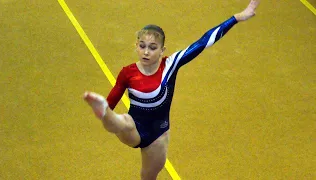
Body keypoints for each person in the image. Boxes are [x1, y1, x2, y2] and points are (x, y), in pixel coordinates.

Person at [83, 0, 260, 179]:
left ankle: (107, 114)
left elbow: (203, 42)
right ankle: (103, 112)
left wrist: (237, 18)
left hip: (158, 135)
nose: (146, 52)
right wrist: (107, 109)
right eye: (142, 46)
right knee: (123, 123)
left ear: (162, 50)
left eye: (152, 48)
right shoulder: (127, 73)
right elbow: (112, 100)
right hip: (135, 127)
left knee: (148, 176)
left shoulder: (170, 64)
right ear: (136, 46)